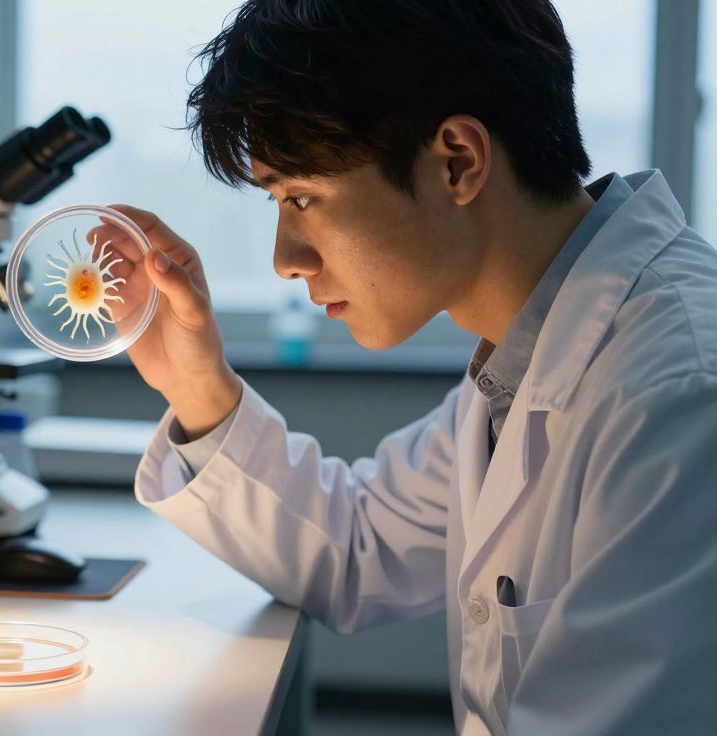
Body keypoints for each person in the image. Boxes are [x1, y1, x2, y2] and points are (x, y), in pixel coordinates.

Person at [114, 1, 717, 733]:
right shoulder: (528, 350)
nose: (285, 260)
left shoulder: (677, 393)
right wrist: (195, 383)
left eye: (301, 197)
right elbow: (360, 547)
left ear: (458, 161)